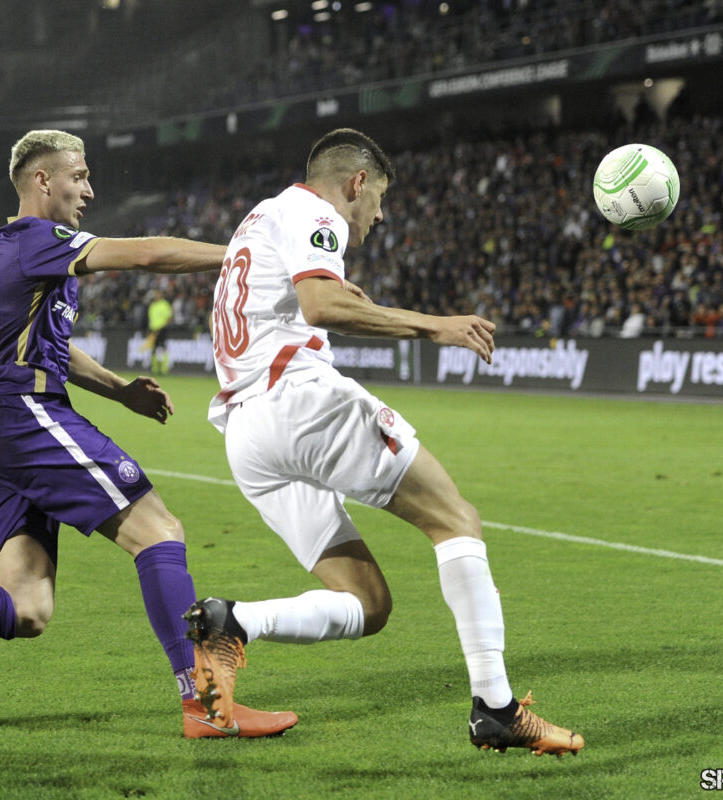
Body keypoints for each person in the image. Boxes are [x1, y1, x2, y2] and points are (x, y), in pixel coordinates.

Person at [185, 128, 584, 756]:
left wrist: (338, 295)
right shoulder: (318, 213)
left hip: (246, 433)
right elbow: (318, 307)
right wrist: (435, 326)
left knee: (367, 604)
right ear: (356, 183)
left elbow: (294, 298)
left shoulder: (260, 217)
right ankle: (498, 708)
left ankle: (234, 621)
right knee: (456, 519)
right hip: (301, 405)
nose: (380, 215)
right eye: (380, 200)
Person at [0, 129, 297, 739]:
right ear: (42, 180)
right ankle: (205, 704)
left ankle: (205, 704)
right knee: (159, 531)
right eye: (78, 177)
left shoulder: (10, 247)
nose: (90, 190)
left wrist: (119, 391)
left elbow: (55, 346)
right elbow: (148, 255)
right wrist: (244, 253)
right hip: (26, 417)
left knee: (27, 610)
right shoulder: (38, 239)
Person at [146, 288, 174, 374]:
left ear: (161, 295)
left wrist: (162, 328)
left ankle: (163, 369)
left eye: (157, 294)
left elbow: (169, 318)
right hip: (153, 330)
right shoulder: (152, 306)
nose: (156, 296)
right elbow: (150, 319)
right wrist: (150, 330)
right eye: (155, 294)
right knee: (153, 349)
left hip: (162, 330)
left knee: (162, 348)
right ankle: (154, 369)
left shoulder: (165, 305)